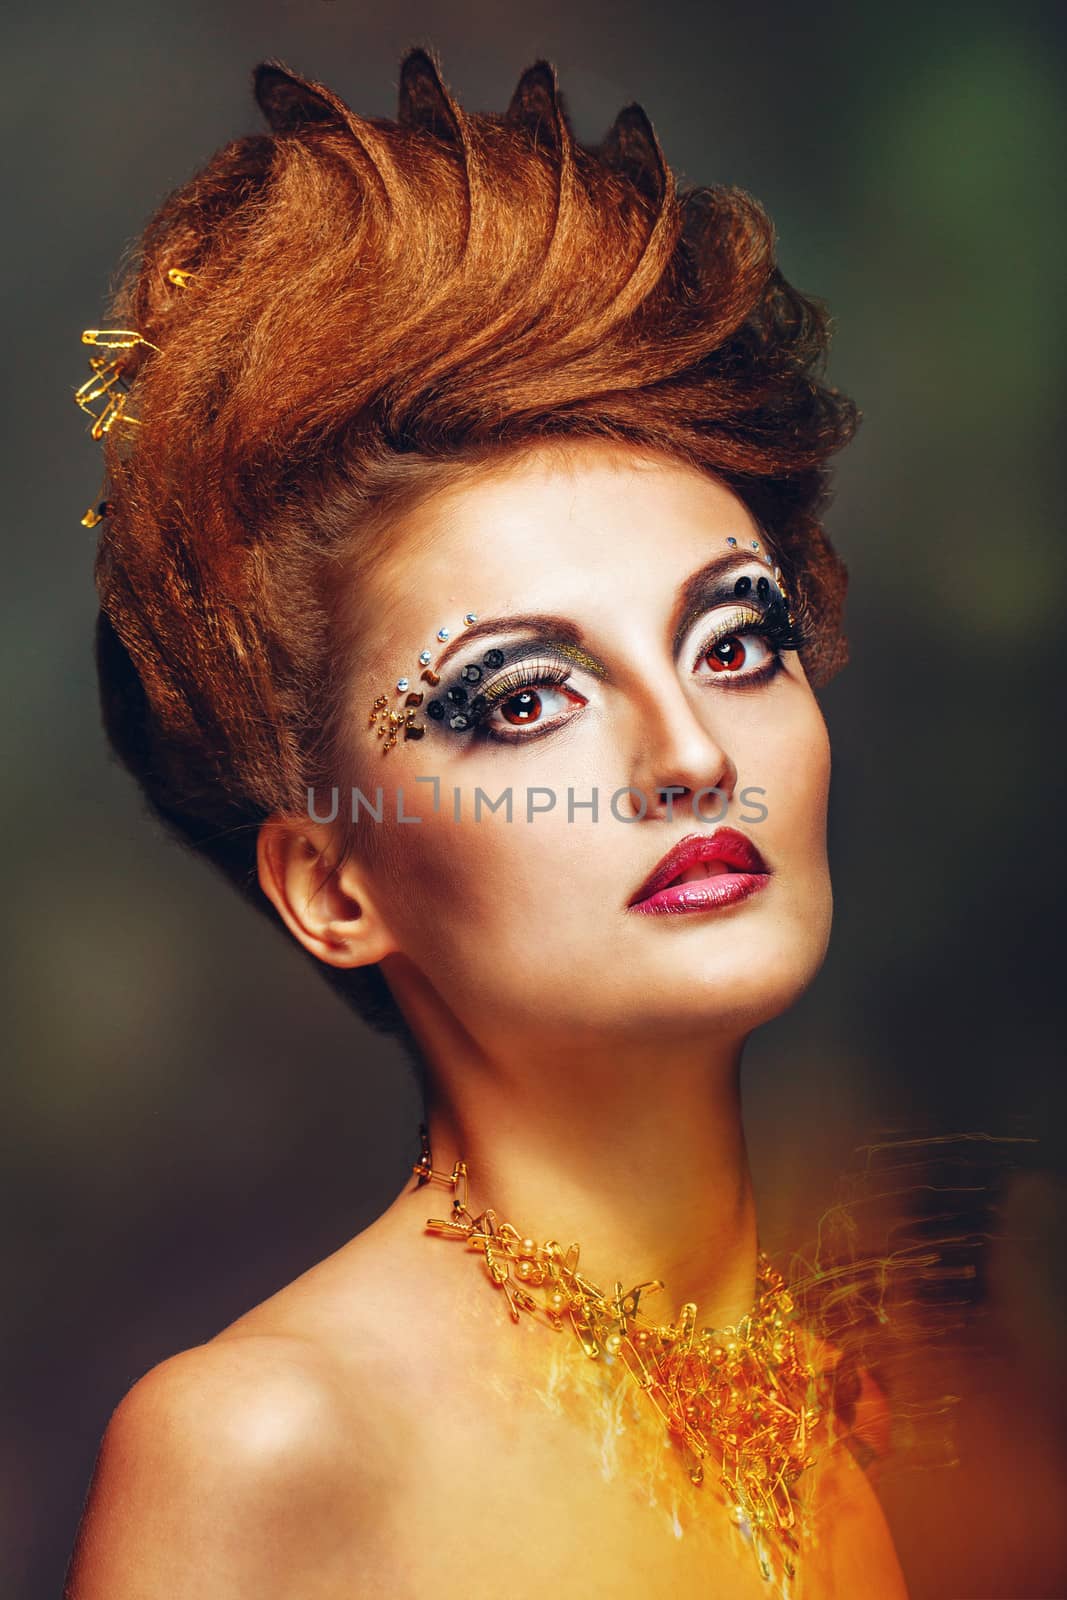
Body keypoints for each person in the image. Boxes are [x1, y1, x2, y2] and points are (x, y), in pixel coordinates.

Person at [65, 45, 910, 1598]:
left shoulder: (840, 1404)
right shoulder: (269, 1443)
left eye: (734, 645)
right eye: (523, 699)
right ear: (330, 883)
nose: (687, 755)